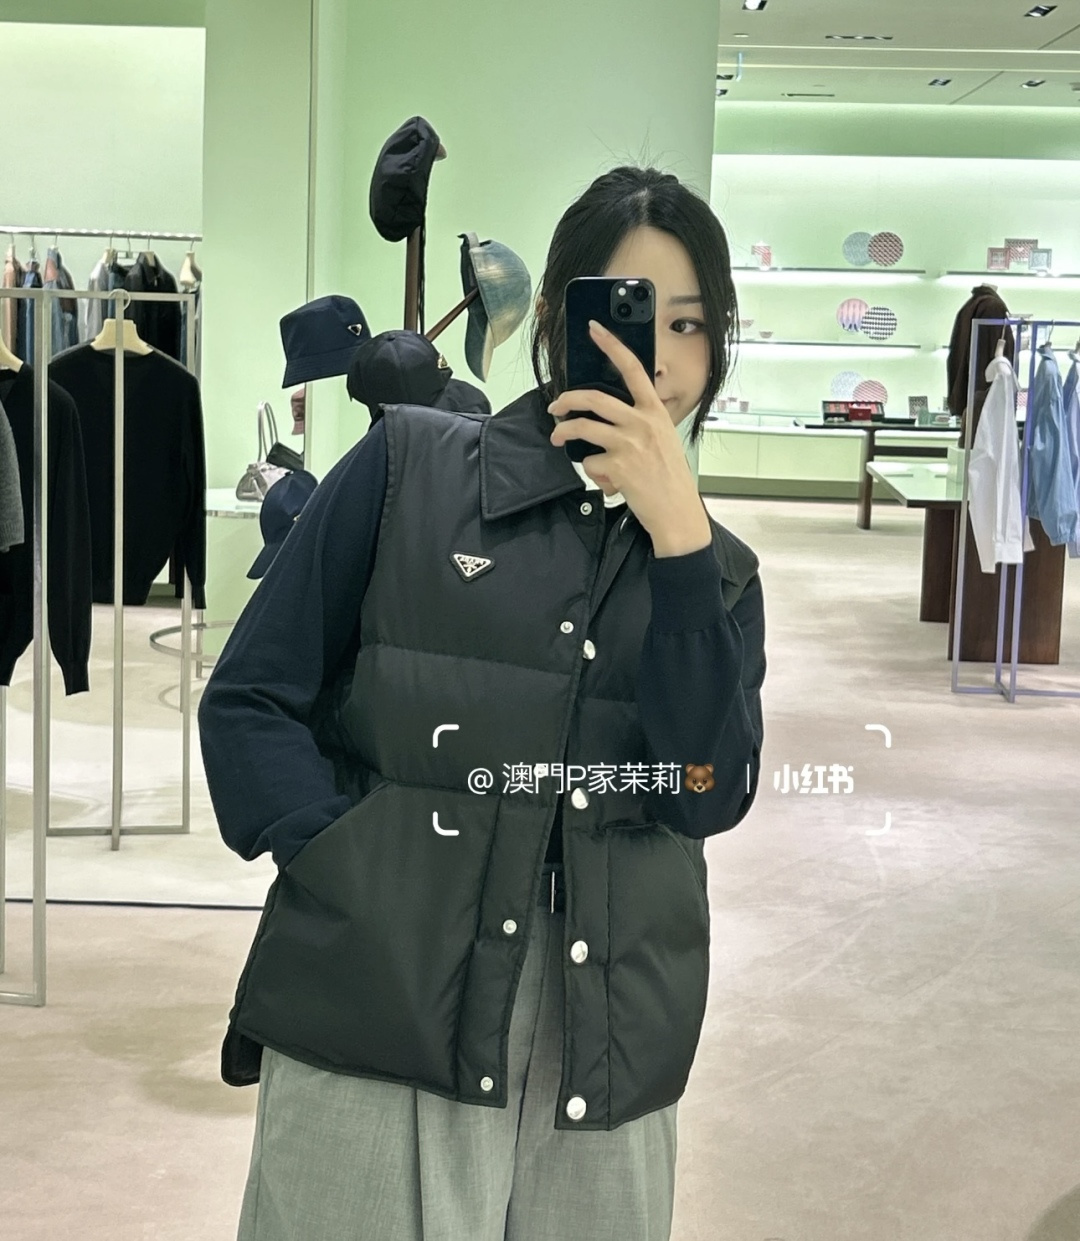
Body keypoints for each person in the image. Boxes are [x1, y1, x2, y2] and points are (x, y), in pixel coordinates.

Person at [198, 164, 767, 1241]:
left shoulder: (718, 574)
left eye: (691, 324)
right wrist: (346, 864)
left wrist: (681, 546)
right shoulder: (410, 467)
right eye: (628, 312)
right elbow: (250, 697)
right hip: (385, 993)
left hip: (605, 1037)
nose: (657, 357)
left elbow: (705, 791)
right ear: (555, 317)